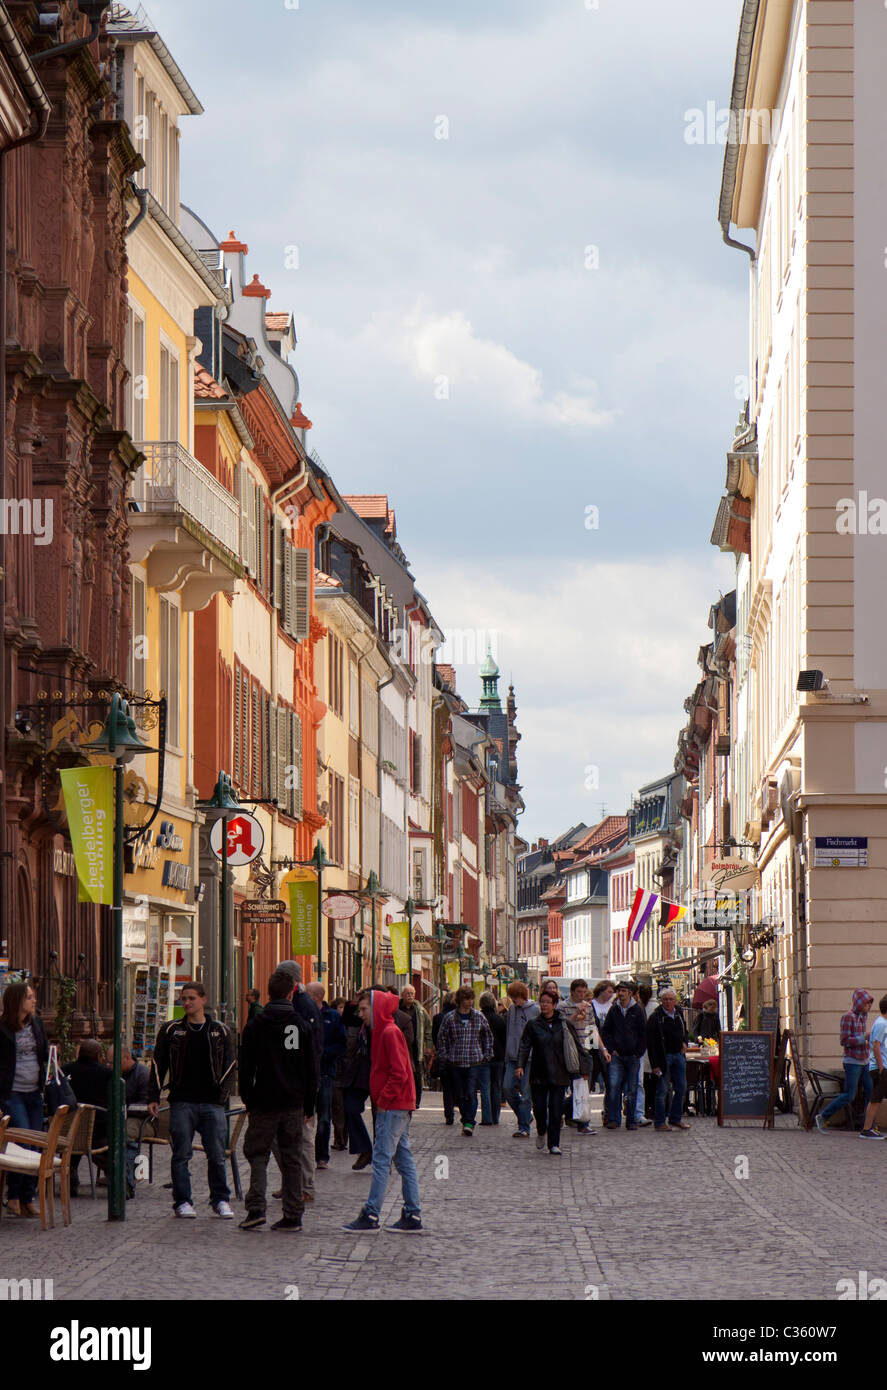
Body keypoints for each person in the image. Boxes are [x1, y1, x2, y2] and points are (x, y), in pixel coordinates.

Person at [148, 980, 236, 1219]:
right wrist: (154, 1095)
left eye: (191, 998)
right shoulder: (171, 1030)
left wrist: (222, 1096)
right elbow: (159, 1064)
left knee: (217, 1154)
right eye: (183, 998)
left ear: (203, 1000)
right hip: (182, 1101)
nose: (186, 1002)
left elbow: (230, 1065)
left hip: (211, 1102)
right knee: (181, 1154)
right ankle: (182, 1201)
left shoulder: (220, 1030)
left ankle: (220, 1199)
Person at [238, 969, 317, 1232]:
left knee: (257, 1154)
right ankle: (293, 1213)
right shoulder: (301, 1025)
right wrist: (309, 1105)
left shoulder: (256, 1025)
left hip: (263, 1102)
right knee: (292, 1158)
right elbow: (310, 1069)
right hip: (293, 1102)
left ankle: (256, 1208)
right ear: (292, 992)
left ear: (269, 992)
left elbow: (246, 1068)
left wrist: (249, 1100)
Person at [343, 989, 422, 1232]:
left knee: (381, 1159)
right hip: (396, 1104)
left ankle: (371, 1214)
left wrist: (384, 1100)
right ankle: (412, 1213)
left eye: (365, 1009)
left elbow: (399, 1072)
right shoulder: (381, 1032)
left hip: (393, 1105)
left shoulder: (388, 1032)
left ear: (376, 1009)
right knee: (403, 1159)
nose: (361, 1013)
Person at [515, 990, 585, 1154]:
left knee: (555, 1111)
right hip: (539, 1073)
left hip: (559, 1073)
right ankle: (541, 1131)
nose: (544, 1005)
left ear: (554, 1005)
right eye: (542, 1002)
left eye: (548, 1002)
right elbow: (524, 1046)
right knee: (539, 1108)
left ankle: (554, 1143)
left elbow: (575, 1046)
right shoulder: (533, 1024)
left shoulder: (564, 1023)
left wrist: (583, 1068)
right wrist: (520, 1065)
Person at [0, 981, 48, 1217]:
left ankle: (28, 1198)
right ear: (17, 1000)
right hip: (13, 1093)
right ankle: (14, 1197)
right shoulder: (3, 1029)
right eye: (29, 997)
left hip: (34, 1093)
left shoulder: (37, 1024)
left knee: (37, 1144)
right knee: (22, 1143)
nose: (33, 1001)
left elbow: (45, 1053)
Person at [275, 961, 322, 1201]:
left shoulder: (303, 1006)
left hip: (300, 1084)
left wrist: (309, 1092)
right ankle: (291, 1182)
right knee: (282, 1138)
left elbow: (312, 1050)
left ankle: (305, 1186)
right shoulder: (293, 1004)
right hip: (287, 1083)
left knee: (303, 1139)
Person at [433, 985, 494, 1136]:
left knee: (471, 1092)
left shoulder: (479, 1017)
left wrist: (487, 1054)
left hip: (474, 1061)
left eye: (472, 998)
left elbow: (488, 1035)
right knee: (460, 1094)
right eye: (467, 999)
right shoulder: (449, 1018)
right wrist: (444, 1056)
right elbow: (442, 1038)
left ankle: (468, 1122)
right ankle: (466, 1119)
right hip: (455, 1062)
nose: (470, 1002)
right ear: (459, 1000)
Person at [815, 987, 874, 1132]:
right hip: (852, 1061)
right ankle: (823, 1116)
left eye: (869, 1003)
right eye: (866, 1003)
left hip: (865, 1060)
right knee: (850, 1095)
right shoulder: (848, 1017)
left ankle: (868, 1124)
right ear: (859, 1003)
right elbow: (844, 1040)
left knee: (871, 1090)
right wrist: (863, 1038)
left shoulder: (863, 1017)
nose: (869, 1006)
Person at [306, 981, 346, 1169]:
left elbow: (342, 1044)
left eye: (308, 994)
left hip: (325, 1074)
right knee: (304, 1118)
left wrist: (324, 1053)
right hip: (305, 1075)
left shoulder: (332, 1017)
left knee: (323, 1117)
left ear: (318, 997)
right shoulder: (303, 1015)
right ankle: (305, 1155)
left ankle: (322, 1156)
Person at [64, 1039, 113, 1194]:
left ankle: (70, 1170)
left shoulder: (64, 1071)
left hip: (68, 1133)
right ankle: (117, 1175)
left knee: (74, 1138)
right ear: (99, 1055)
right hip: (98, 1132)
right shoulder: (107, 1074)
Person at [558, 979, 605, 1135]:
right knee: (571, 1087)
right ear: (572, 992)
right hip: (569, 1051)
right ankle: (561, 1113)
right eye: (579, 992)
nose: (582, 995)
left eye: (584, 992)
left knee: (583, 1088)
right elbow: (560, 1026)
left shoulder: (589, 1007)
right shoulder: (563, 1006)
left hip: (584, 1051)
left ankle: (583, 1123)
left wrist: (600, 1049)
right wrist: (575, 1015)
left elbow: (592, 1029)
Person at [600, 980, 647, 1130]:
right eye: (619, 990)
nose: (620, 993)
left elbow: (643, 1034)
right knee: (614, 1087)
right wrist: (611, 1048)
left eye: (624, 991)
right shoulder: (614, 1010)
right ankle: (614, 1119)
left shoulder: (637, 1010)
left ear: (630, 993)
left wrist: (638, 1052)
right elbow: (606, 1031)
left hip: (633, 1056)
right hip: (617, 1056)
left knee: (632, 1089)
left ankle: (631, 1120)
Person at [107, 1044, 150, 1197]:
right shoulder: (113, 1074)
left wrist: (124, 1108)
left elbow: (146, 1105)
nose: (109, 1066)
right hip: (120, 1117)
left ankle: (125, 1182)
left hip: (142, 1119)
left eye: (112, 1062)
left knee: (125, 1134)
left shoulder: (143, 1074)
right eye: (108, 1062)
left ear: (126, 1058)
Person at [647, 988, 690, 1131]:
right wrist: (655, 1064)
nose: (668, 1002)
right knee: (662, 1090)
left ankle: (675, 1119)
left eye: (670, 999)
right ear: (661, 1001)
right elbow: (651, 1043)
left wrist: (685, 1043)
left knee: (681, 1088)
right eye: (665, 999)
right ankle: (659, 1122)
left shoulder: (678, 1013)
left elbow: (685, 1031)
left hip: (678, 1055)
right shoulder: (655, 1017)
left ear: (675, 1001)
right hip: (663, 1057)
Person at [340, 997, 373, 1169]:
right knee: (350, 1108)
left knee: (381, 1119)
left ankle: (384, 1155)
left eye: (364, 1009)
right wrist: (355, 1000)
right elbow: (346, 1017)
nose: (360, 1014)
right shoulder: (361, 1023)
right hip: (360, 1074)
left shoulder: (387, 1027)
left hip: (377, 1075)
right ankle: (365, 1149)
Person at [503, 981, 539, 1137]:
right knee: (506, 1087)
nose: (514, 1000)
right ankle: (525, 1116)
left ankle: (524, 1127)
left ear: (522, 995)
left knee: (526, 1093)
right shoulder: (512, 1009)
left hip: (529, 1058)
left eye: (515, 997)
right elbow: (510, 1032)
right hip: (512, 1057)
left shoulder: (535, 1009)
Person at [399, 985, 431, 1110]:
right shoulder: (397, 1009)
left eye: (412, 993)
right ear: (402, 995)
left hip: (416, 1048)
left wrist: (428, 1045)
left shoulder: (420, 1011)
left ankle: (416, 1101)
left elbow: (428, 1027)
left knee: (417, 1074)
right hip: (402, 1046)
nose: (410, 995)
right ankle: (403, 1098)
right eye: (407, 993)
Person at [860, 993, 887, 1139]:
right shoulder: (882, 1024)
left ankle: (868, 1128)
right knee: (875, 1099)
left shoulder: (882, 1023)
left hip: (881, 1066)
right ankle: (867, 1129)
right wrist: (882, 1068)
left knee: (876, 1098)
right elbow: (876, 1046)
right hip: (880, 1068)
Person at [479, 991, 506, 1124]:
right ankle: (495, 1117)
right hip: (498, 1057)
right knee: (496, 1087)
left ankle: (486, 1118)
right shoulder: (499, 1019)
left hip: (483, 1056)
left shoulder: (478, 1017)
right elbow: (504, 1038)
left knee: (485, 1087)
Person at [431, 993, 457, 1124]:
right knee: (458, 1085)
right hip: (457, 1056)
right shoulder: (458, 1016)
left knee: (446, 1087)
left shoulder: (437, 1017)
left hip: (443, 1056)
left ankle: (449, 1114)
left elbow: (434, 1037)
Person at [634, 984, 657, 1126]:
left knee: (642, 1082)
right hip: (649, 1048)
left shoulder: (640, 1007)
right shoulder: (654, 1007)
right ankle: (649, 1109)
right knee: (648, 1081)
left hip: (643, 1049)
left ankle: (643, 1109)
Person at [590, 980, 616, 1095]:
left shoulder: (613, 1007)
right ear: (601, 991)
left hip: (608, 1045)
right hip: (593, 1045)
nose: (611, 995)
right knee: (590, 1078)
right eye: (609, 991)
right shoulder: (591, 1005)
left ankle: (608, 1110)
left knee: (610, 1082)